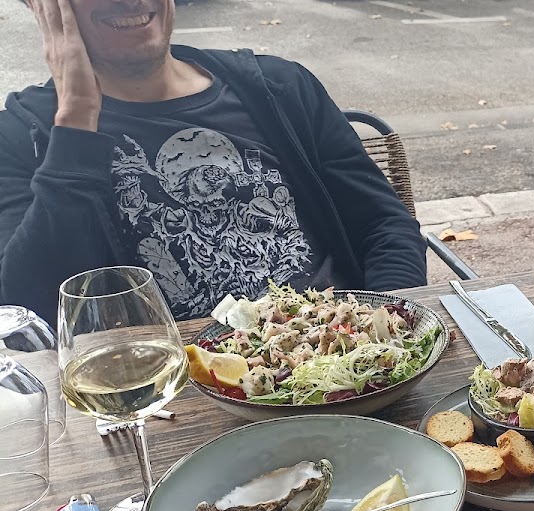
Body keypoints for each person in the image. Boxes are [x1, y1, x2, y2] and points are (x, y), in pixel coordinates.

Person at [0, 0, 427, 320]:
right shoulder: (22, 138)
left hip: (336, 360)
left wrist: (384, 328)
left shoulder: (279, 88)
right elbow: (26, 306)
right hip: (166, 403)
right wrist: (75, 121)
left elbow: (384, 225)